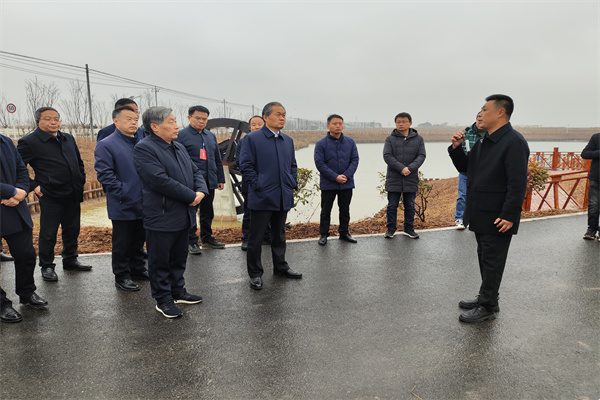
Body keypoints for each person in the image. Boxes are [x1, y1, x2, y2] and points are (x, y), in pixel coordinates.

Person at [448, 94, 530, 323]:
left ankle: (487, 307)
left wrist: (509, 215)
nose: (480, 114)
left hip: (498, 215)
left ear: (500, 112)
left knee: (493, 261)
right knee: (485, 257)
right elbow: (466, 167)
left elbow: (517, 183)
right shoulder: (486, 140)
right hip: (481, 211)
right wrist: (456, 148)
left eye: (485, 109)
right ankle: (488, 297)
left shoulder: (514, 142)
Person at [133, 106, 208, 318]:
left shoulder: (178, 146)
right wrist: (191, 196)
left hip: (183, 214)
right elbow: (159, 180)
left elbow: (195, 170)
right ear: (155, 127)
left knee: (178, 257)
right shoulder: (144, 149)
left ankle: (177, 291)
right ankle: (163, 298)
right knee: (160, 261)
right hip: (162, 215)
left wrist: (201, 190)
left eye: (175, 121)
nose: (177, 126)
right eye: (171, 122)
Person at [17, 107, 92, 282]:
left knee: (72, 229)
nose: (53, 122)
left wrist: (80, 178)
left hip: (72, 192)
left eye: (56, 119)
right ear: (38, 121)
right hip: (50, 194)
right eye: (48, 119)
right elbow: (17, 168)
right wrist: (34, 186)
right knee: (48, 233)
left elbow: (79, 163)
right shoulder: (29, 142)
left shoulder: (68, 138)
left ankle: (70, 260)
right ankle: (47, 266)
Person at [239, 102, 303, 290]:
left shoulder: (287, 140)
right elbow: (246, 166)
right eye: (278, 114)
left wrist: (292, 182)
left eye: (284, 114)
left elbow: (292, 165)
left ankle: (281, 267)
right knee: (256, 238)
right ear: (266, 117)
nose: (282, 118)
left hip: (283, 195)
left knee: (279, 235)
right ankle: (255, 273)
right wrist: (259, 184)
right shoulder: (252, 139)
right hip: (261, 196)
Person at [94, 106, 149, 292]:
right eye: (128, 119)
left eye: (135, 119)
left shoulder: (141, 142)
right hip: (123, 201)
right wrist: (123, 192)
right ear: (116, 121)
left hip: (144, 200)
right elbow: (105, 174)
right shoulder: (107, 144)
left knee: (138, 239)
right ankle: (122, 275)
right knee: (122, 242)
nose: (133, 122)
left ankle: (138, 269)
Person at [1, 134, 48, 323]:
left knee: (26, 254)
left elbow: (21, 169)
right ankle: (2, 304)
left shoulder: (5, 141)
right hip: (9, 198)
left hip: (14, 208)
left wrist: (20, 191)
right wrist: (11, 191)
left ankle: (27, 292)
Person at [176, 105, 226, 253]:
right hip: (191, 182)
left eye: (204, 119)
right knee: (191, 212)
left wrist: (220, 178)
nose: (201, 121)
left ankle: (207, 238)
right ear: (189, 118)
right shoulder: (181, 136)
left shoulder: (210, 136)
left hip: (209, 181)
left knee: (207, 211)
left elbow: (217, 159)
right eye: (198, 118)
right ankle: (191, 241)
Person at [314, 114, 359, 245]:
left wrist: (346, 175)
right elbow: (320, 163)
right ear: (328, 126)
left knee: (345, 210)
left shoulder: (350, 142)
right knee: (326, 210)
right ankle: (323, 234)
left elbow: (355, 160)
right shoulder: (321, 144)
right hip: (328, 183)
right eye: (335, 124)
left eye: (340, 123)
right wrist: (335, 177)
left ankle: (344, 233)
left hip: (346, 182)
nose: (338, 126)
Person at [382, 112, 426, 239]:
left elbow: (421, 156)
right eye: (398, 122)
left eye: (404, 121)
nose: (401, 124)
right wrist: (401, 168)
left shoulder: (418, 139)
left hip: (410, 176)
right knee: (392, 205)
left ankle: (409, 229)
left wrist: (410, 168)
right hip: (394, 176)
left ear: (410, 123)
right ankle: (391, 229)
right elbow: (387, 156)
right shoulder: (390, 139)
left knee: (410, 205)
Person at [237, 115, 271, 251]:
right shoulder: (243, 142)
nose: (257, 127)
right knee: (249, 212)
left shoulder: (270, 140)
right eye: (253, 125)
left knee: (268, 210)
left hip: (269, 183)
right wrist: (256, 179)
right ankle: (246, 238)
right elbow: (241, 163)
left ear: (265, 124)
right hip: (250, 182)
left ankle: (267, 236)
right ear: (249, 127)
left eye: (259, 124)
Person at [454, 118, 486, 230]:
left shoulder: (490, 133)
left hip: (482, 172)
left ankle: (477, 219)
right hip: (465, 172)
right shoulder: (466, 133)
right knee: (462, 196)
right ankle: (459, 219)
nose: (480, 121)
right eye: (478, 119)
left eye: (483, 119)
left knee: (481, 196)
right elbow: (458, 152)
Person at [582, 132, 599, 241]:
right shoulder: (596, 137)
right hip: (596, 178)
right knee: (593, 205)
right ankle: (591, 230)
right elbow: (584, 154)